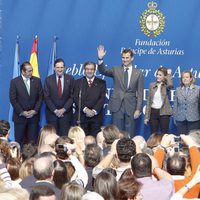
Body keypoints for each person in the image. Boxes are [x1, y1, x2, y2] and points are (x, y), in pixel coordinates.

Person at [97, 45, 144, 137]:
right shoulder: (116, 69)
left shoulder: (138, 73)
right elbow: (103, 71)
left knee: (129, 133)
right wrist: (100, 58)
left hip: (131, 106)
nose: (125, 59)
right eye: (123, 57)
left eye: (127, 57)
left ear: (132, 58)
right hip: (117, 105)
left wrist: (138, 109)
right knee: (116, 133)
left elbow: (140, 93)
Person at [9, 61, 43, 146]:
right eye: (29, 71)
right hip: (20, 117)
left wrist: (35, 111)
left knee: (32, 143)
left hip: (33, 118)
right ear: (23, 71)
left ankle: (32, 159)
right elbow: (13, 99)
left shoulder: (37, 81)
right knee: (19, 142)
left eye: (32, 70)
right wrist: (22, 112)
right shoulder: (14, 82)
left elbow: (40, 97)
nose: (31, 72)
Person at [74, 61, 106, 136]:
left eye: (91, 69)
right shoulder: (78, 82)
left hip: (96, 118)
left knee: (95, 140)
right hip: (82, 117)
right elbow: (76, 98)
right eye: (87, 69)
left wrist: (93, 111)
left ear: (95, 70)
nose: (89, 71)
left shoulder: (101, 82)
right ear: (84, 70)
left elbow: (102, 98)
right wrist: (86, 110)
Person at [44, 58, 74, 136]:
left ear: (64, 68)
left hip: (66, 115)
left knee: (64, 139)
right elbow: (47, 97)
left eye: (61, 67)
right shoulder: (48, 80)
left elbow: (72, 96)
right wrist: (56, 111)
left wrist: (64, 109)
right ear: (54, 68)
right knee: (52, 139)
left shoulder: (70, 79)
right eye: (57, 67)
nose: (59, 69)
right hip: (52, 115)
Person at [144, 67, 173, 133]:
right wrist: (146, 117)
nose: (158, 76)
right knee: (153, 134)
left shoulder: (166, 86)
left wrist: (168, 75)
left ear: (164, 76)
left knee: (164, 134)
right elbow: (148, 102)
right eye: (157, 74)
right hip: (153, 112)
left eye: (160, 75)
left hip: (164, 113)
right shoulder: (152, 85)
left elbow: (170, 85)